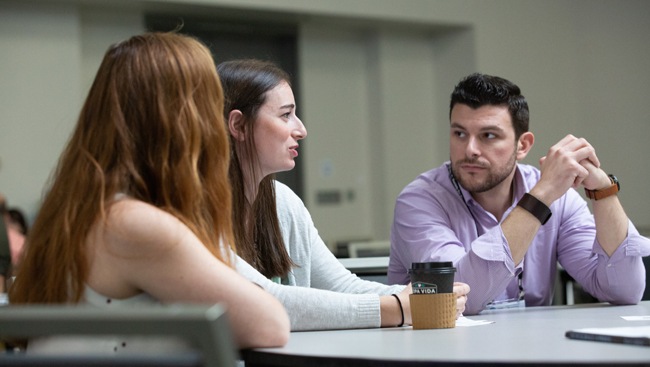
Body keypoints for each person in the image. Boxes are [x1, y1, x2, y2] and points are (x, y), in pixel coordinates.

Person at [8, 33, 289, 351]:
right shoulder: (130, 223)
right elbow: (270, 325)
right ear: (180, 122)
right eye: (210, 107)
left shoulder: (81, 206)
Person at [216, 59, 470, 331]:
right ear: (238, 125)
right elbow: (263, 301)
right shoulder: (197, 212)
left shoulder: (283, 202)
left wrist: (426, 298)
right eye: (285, 115)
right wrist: (398, 307)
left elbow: (342, 287)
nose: (301, 130)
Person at [388, 73, 650, 315]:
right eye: (459, 133)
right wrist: (541, 197)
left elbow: (624, 291)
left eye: (488, 135)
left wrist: (603, 190)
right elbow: (456, 298)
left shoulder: (559, 199)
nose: (469, 150)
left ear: (522, 145)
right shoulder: (419, 200)